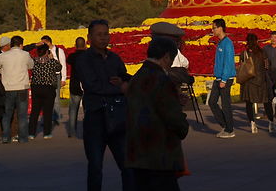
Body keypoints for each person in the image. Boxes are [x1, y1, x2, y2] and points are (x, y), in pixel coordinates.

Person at [73, 19, 133, 191]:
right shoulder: (84, 59)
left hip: (117, 117)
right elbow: (93, 86)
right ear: (89, 37)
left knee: (127, 166)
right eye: (99, 35)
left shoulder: (114, 58)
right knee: (95, 168)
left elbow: (125, 76)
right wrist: (120, 88)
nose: (103, 38)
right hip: (96, 118)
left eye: (106, 34)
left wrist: (125, 82)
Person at [126, 36, 189, 191]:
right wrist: (183, 126)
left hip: (138, 154)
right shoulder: (161, 79)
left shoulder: (137, 77)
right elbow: (173, 117)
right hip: (159, 155)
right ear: (166, 56)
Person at [0, 35, 32, 143]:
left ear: (10, 44)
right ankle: (23, 138)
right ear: (20, 44)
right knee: (22, 115)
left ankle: (6, 137)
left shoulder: (4, 56)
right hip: (22, 87)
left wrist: (4, 71)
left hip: (8, 88)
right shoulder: (25, 54)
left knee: (7, 114)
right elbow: (31, 65)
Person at [209, 18, 237, 138]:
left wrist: (224, 79)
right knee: (212, 102)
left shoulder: (227, 43)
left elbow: (228, 62)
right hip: (218, 78)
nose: (213, 30)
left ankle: (230, 130)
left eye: (214, 27)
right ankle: (225, 126)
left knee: (225, 104)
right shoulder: (220, 42)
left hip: (225, 78)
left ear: (220, 28)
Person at [28, 43, 62, 139]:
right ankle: (47, 133)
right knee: (47, 111)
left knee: (35, 111)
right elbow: (59, 68)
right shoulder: (52, 62)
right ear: (47, 52)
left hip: (36, 87)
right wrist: (52, 58)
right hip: (48, 88)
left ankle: (31, 133)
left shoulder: (34, 61)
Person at [240, 32, 270, 133]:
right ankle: (271, 123)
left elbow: (241, 66)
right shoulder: (262, 52)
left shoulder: (244, 53)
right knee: (266, 102)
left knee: (249, 104)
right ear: (257, 41)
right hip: (261, 81)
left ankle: (252, 123)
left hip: (249, 81)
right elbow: (267, 66)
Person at [41, 34, 67, 128]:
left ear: (48, 42)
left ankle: (55, 118)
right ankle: (46, 118)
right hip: (46, 76)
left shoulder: (59, 51)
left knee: (55, 98)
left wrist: (63, 78)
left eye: (43, 43)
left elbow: (63, 65)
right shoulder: (43, 52)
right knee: (45, 98)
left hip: (56, 76)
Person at [67, 36, 88, 139]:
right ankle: (88, 131)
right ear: (85, 45)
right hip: (86, 85)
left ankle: (72, 132)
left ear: (75, 45)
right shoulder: (88, 56)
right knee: (87, 110)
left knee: (73, 110)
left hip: (74, 85)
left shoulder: (72, 56)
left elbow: (69, 61)